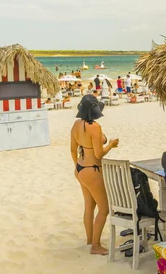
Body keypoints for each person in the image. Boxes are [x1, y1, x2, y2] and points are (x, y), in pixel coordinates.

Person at [70, 95, 119, 255]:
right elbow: (99, 154)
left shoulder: (76, 125)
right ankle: (96, 246)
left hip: (80, 168)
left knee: (89, 206)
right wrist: (111, 144)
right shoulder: (95, 127)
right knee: (104, 209)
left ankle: (90, 240)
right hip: (93, 170)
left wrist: (78, 166)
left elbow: (72, 149)